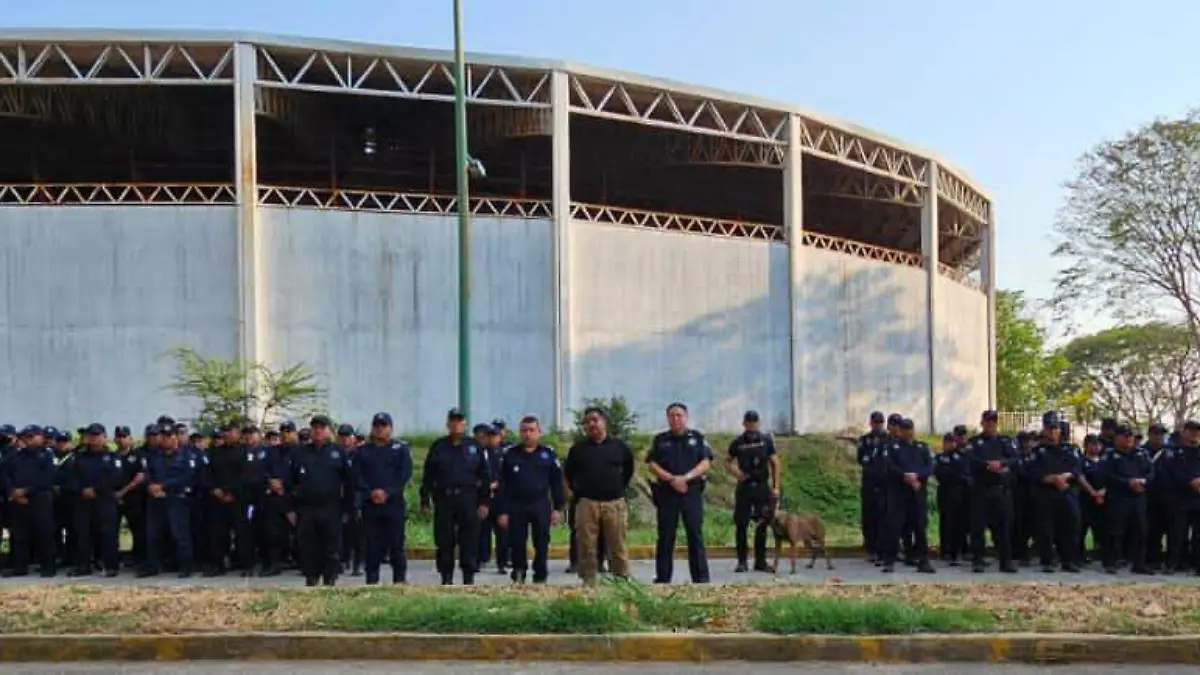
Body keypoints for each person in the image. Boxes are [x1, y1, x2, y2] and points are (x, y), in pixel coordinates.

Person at [563, 406, 635, 584]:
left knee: (617, 544)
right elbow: (568, 474)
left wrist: (617, 488)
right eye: (587, 422)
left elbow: (628, 471)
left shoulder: (619, 447)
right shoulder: (578, 449)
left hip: (614, 503)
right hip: (587, 503)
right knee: (586, 545)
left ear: (604, 422)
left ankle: (622, 580)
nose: (591, 424)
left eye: (595, 420)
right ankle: (588, 582)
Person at [420, 408, 491, 585]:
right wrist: (425, 499)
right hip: (444, 499)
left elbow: (484, 476)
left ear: (464, 423)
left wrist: (484, 502)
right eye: (453, 421)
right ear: (447, 423)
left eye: (459, 421)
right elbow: (428, 475)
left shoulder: (475, 446)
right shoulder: (438, 446)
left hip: (468, 499)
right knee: (444, 540)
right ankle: (446, 577)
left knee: (469, 540)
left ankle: (468, 578)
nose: (456, 424)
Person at [646, 402, 712, 584]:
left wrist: (685, 478)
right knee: (666, 536)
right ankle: (663, 577)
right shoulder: (660, 440)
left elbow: (706, 462)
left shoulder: (697, 437)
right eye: (672, 415)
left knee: (695, 534)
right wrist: (671, 479)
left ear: (686, 417)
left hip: (691, 491)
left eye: (679, 415)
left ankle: (701, 578)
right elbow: (652, 464)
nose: (675, 419)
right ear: (667, 418)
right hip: (667, 493)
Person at [495, 415, 565, 584]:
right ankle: (519, 573)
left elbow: (556, 483)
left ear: (539, 432)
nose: (528, 434)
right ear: (520, 433)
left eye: (532, 430)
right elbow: (503, 485)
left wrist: (557, 508)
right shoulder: (510, 454)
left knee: (541, 541)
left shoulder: (547, 454)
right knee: (517, 541)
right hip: (516, 504)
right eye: (524, 430)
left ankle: (540, 575)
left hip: (540, 503)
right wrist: (502, 511)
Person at [291, 415, 354, 586]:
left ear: (329, 431)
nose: (318, 431)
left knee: (331, 546)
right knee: (308, 547)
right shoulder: (301, 452)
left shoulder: (337, 452)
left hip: (331, 507)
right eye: (315, 428)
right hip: (307, 508)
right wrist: (291, 508)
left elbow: (348, 482)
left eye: (322, 427)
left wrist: (348, 508)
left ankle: (330, 580)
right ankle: (311, 579)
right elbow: (291, 481)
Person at [355, 412, 413, 585]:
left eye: (383, 425)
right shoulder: (363, 451)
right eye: (377, 426)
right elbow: (357, 476)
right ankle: (371, 582)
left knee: (396, 545)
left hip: (393, 504)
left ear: (391, 428)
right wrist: (370, 492)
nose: (380, 429)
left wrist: (387, 492)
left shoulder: (400, 450)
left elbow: (404, 474)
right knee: (372, 547)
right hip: (370, 505)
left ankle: (399, 581)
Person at [1026, 411, 1083, 573]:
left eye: (1055, 428)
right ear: (1044, 428)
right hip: (1046, 493)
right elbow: (1030, 472)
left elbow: (1078, 468)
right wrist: (1049, 478)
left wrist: (1066, 476)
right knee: (1046, 529)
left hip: (1067, 491)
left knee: (1070, 527)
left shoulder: (1071, 449)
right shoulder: (1038, 451)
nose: (1052, 432)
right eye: (1049, 428)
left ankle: (1069, 560)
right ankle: (1047, 561)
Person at [65, 424, 122, 577]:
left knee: (108, 534)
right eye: (91, 436)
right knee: (82, 534)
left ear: (104, 437)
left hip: (104, 500)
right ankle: (83, 566)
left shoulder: (112, 457)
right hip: (83, 500)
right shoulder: (78, 456)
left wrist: (95, 489)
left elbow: (115, 478)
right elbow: (69, 477)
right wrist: (81, 489)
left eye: (97, 436)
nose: (94, 439)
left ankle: (111, 566)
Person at [140, 426, 197, 578]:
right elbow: (147, 473)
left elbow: (187, 476)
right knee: (152, 535)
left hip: (177, 498)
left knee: (180, 534)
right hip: (156, 499)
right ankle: (151, 566)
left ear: (176, 437)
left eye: (169, 436)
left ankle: (186, 567)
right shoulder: (154, 455)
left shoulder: (186, 455)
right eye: (163, 436)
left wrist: (164, 485)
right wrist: (151, 486)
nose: (166, 439)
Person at [1, 426, 57, 578]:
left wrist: (26, 490)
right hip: (17, 500)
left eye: (32, 436)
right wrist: (12, 492)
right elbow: (3, 473)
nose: (29, 439)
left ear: (40, 437)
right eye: (26, 436)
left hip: (40, 499)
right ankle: (20, 566)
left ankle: (48, 566)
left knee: (44, 533)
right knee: (19, 534)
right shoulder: (15, 455)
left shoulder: (47, 455)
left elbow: (48, 477)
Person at [726, 410, 779, 573]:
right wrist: (737, 473)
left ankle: (760, 561)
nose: (751, 425)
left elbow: (775, 463)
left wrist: (776, 487)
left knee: (762, 524)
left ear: (758, 423)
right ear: (744, 423)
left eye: (754, 422)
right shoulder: (737, 442)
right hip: (745, 487)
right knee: (741, 525)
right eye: (748, 422)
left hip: (762, 486)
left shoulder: (766, 440)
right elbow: (727, 462)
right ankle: (742, 562)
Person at [880, 418, 934, 574]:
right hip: (898, 493)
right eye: (904, 429)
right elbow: (888, 466)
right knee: (894, 527)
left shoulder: (922, 447)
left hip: (917, 493)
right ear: (900, 431)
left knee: (920, 527)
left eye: (910, 429)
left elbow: (930, 466)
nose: (908, 432)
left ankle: (923, 560)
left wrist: (917, 476)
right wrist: (904, 476)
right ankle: (889, 561)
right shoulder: (892, 447)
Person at [966, 410, 1017, 573]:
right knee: (978, 528)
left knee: (1003, 528)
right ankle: (978, 560)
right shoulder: (974, 442)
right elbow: (970, 460)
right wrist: (987, 466)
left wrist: (1001, 464)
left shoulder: (1005, 441)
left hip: (1000, 490)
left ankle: (1005, 561)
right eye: (987, 422)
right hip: (981, 490)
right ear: (982, 423)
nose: (990, 425)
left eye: (993, 422)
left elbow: (1015, 459)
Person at [1098, 424, 1153, 575]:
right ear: (1116, 438)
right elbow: (1105, 475)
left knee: (1140, 530)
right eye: (1125, 436)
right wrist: (1127, 483)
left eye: (1131, 436)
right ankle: (1111, 562)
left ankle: (1139, 564)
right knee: (1115, 531)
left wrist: (1143, 482)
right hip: (1118, 498)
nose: (1128, 439)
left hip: (1138, 497)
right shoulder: (1109, 455)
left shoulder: (1141, 454)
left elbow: (1151, 472)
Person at [856, 411, 888, 563]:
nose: (878, 425)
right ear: (871, 423)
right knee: (869, 515)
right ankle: (870, 547)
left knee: (884, 516)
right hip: (869, 483)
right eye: (875, 422)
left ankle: (884, 548)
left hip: (884, 484)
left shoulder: (888, 440)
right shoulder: (864, 440)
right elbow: (862, 459)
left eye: (880, 423)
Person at [934, 431, 970, 567]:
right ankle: (946, 550)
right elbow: (940, 473)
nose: (949, 444)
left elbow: (964, 473)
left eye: (951, 442)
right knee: (945, 522)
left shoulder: (961, 456)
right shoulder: (939, 458)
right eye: (946, 442)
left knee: (959, 523)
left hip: (959, 493)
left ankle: (959, 550)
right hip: (945, 492)